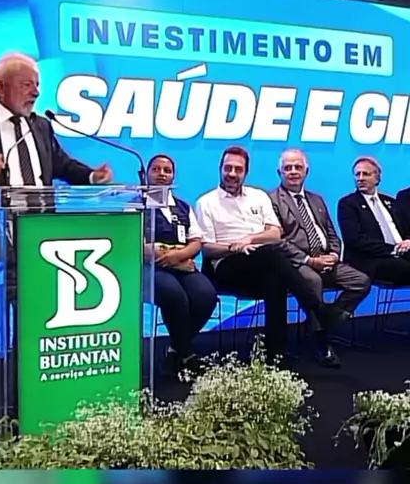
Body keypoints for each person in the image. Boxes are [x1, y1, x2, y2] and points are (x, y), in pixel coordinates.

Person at [0, 52, 113, 394]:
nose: (36, 92)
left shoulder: (40, 125)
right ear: (0, 87)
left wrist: (91, 176)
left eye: (38, 85)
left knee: (37, 328)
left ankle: (33, 401)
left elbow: (60, 164)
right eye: (28, 84)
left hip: (39, 247)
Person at [195, 145, 338, 366]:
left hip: (262, 260)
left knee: (275, 279)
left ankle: (275, 354)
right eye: (228, 168)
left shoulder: (258, 196)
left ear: (246, 172)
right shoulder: (206, 202)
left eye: (238, 169)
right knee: (273, 254)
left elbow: (275, 233)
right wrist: (235, 247)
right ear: (220, 169)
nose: (232, 173)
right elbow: (207, 249)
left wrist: (250, 240)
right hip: (226, 264)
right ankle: (317, 308)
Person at [271, 149, 371, 329]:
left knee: (361, 281)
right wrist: (309, 261)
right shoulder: (271, 201)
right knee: (313, 281)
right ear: (279, 172)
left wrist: (334, 255)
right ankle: (319, 335)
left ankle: (327, 319)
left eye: (298, 167)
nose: (293, 172)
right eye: (288, 168)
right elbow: (278, 242)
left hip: (326, 259)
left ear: (306, 171)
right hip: (297, 263)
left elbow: (331, 233)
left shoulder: (317, 199)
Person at [145, 153, 217, 374]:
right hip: (151, 269)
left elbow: (196, 242)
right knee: (174, 295)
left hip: (183, 265)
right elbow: (140, 247)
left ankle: (176, 349)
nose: (161, 174)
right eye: (156, 169)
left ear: (173, 176)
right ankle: (188, 355)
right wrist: (176, 261)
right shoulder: (135, 205)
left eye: (167, 171)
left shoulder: (183, 207)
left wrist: (178, 256)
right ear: (146, 174)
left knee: (206, 296)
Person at [338, 156, 410, 282]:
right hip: (369, 258)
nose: (360, 178)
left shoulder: (390, 202)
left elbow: (405, 229)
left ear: (377, 178)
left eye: (365, 174)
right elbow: (354, 239)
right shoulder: (348, 204)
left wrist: (408, 241)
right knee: (403, 267)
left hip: (400, 252)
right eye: (357, 174)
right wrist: (393, 249)